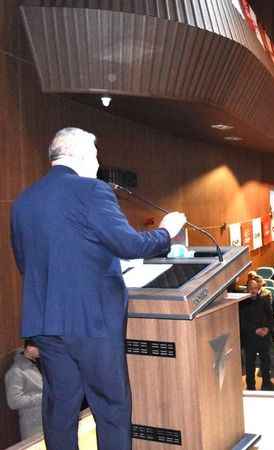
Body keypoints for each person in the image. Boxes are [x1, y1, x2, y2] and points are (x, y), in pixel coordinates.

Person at [10, 128, 186, 450]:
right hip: (92, 322)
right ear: (79, 155)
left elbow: (26, 263)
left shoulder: (23, 201)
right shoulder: (92, 190)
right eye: (95, 154)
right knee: (110, 407)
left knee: (60, 408)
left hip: (47, 323)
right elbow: (129, 245)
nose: (97, 162)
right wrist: (166, 232)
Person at [240, 278, 274, 391]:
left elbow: (270, 317)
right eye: (251, 288)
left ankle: (266, 383)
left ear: (258, 289)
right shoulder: (241, 303)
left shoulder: (264, 300)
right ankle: (251, 386)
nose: (253, 291)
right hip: (250, 338)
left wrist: (267, 328)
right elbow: (241, 322)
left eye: (255, 288)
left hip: (264, 337)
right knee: (250, 363)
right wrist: (255, 330)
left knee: (266, 361)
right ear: (247, 289)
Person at [4, 340, 43, 440]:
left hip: (49, 421)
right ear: (30, 348)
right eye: (41, 347)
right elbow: (14, 402)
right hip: (34, 427)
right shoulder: (15, 372)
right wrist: (43, 397)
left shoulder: (41, 362)